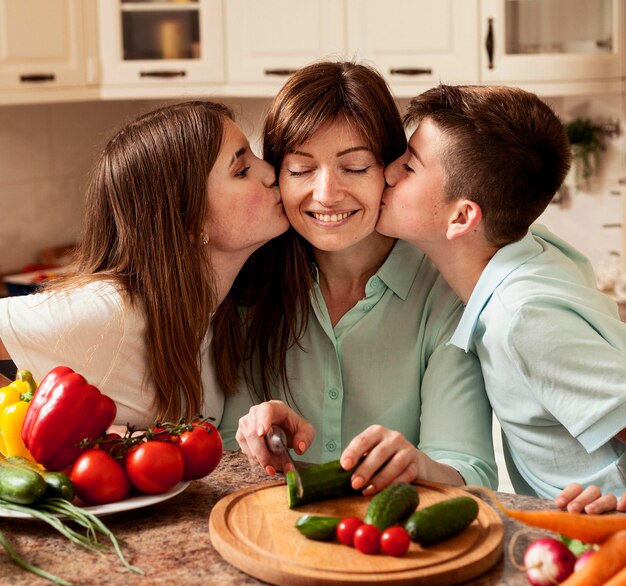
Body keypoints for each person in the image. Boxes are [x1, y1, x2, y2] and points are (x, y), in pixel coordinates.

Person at [219, 61, 498, 496]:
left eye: (355, 167)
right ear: (276, 173)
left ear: (391, 169)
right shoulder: (249, 283)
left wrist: (419, 465)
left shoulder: (444, 291)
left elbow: (470, 469)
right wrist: (254, 441)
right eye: (300, 170)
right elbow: (221, 451)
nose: (326, 193)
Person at [377, 84, 626, 513]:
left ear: (462, 217)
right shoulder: (526, 243)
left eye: (410, 167)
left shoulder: (523, 316)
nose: (388, 170)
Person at [0, 101, 289, 428]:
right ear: (190, 221)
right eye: (241, 170)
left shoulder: (212, 310)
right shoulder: (114, 311)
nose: (270, 173)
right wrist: (18, 434)